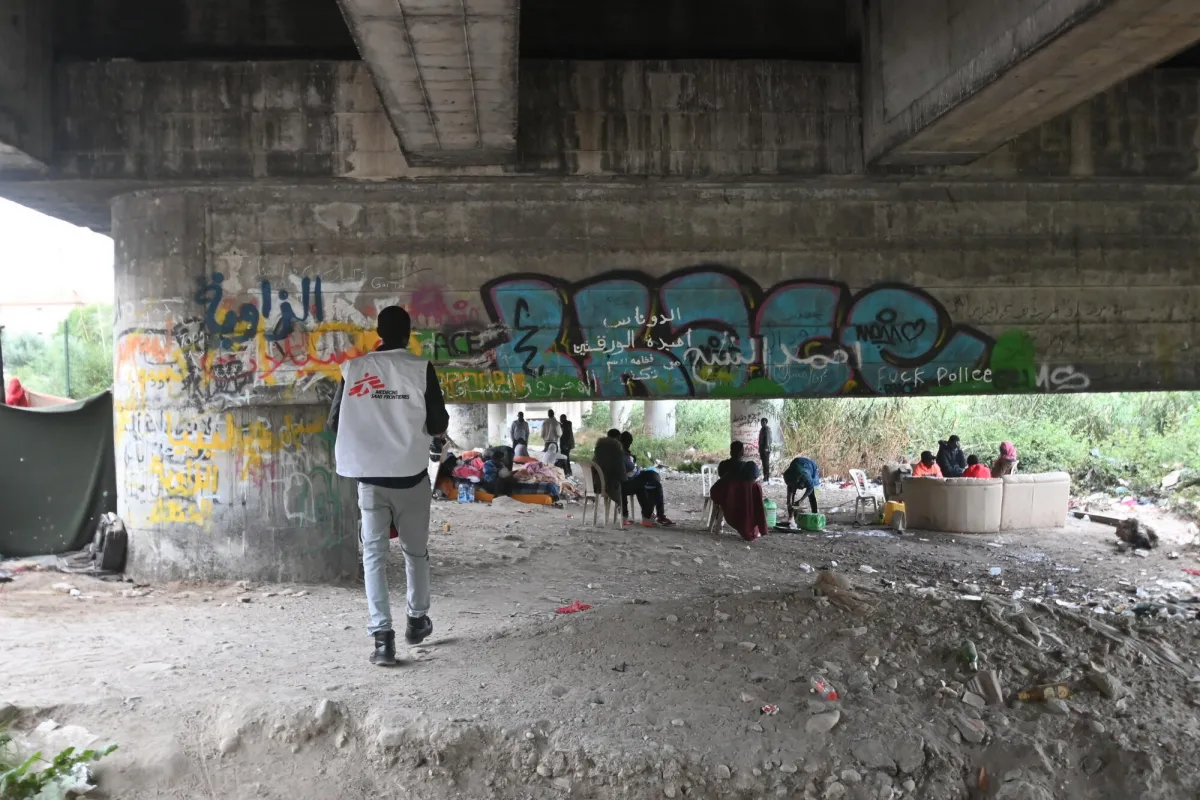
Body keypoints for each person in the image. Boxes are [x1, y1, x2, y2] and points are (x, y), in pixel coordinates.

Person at [328, 306, 448, 667]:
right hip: (411, 478)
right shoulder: (420, 368)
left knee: (374, 558)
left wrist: (371, 426)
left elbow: (335, 422)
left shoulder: (354, 369)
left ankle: (382, 640)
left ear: (377, 332)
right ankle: (416, 620)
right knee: (415, 553)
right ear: (408, 333)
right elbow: (438, 421)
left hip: (370, 481)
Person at [619, 430, 675, 527]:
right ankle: (652, 515)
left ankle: (654, 514)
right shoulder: (620, 454)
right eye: (628, 442)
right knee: (651, 485)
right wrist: (636, 468)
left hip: (630, 477)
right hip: (628, 480)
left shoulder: (622, 453)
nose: (629, 444)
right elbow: (632, 470)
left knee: (653, 477)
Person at [592, 429, 626, 509]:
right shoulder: (616, 450)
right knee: (638, 487)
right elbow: (622, 475)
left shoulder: (598, 449)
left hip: (595, 484)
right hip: (609, 486)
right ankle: (624, 513)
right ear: (618, 438)